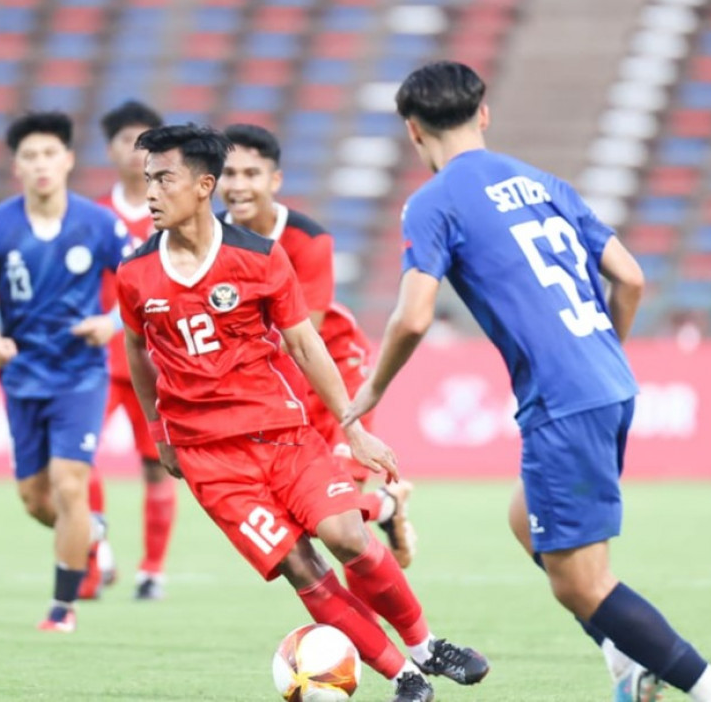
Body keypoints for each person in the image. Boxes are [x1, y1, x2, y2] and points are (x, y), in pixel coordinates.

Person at [343, 61, 711, 702]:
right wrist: (600, 353)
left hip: (564, 400)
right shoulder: (542, 182)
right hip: (609, 381)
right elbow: (631, 277)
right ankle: (627, 660)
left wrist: (372, 389)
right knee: (525, 518)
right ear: (483, 114)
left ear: (413, 130)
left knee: (581, 584)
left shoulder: (433, 202)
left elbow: (414, 315)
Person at [115, 124, 487, 702]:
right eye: (148, 180)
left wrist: (353, 429)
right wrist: (158, 430)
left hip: (282, 434)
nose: (151, 193)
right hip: (210, 459)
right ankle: (404, 678)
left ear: (203, 185)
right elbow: (136, 350)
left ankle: (425, 645)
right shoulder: (135, 273)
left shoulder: (261, 257)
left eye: (165, 179)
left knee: (347, 536)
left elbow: (306, 344)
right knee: (302, 566)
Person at [217, 123, 417, 571]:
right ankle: (386, 505)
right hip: (271, 381)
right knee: (298, 515)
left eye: (251, 173)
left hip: (331, 370)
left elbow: (304, 336)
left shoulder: (308, 239)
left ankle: (371, 589)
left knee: (336, 515)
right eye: (229, 173)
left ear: (275, 180)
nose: (239, 185)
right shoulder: (207, 238)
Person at [0, 111, 132, 632]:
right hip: (21, 376)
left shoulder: (99, 223)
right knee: (36, 500)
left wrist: (110, 323)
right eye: (30, 156)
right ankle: (92, 534)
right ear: (16, 166)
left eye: (50, 154)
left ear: (68, 160)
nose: (41, 164)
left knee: (69, 484)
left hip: (81, 375)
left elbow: (141, 281)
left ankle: (62, 608)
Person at [84, 99, 173, 601]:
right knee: (77, 458)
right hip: (98, 362)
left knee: (157, 464)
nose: (136, 152)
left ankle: (152, 570)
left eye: (145, 143)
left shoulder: (175, 214)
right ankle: (96, 554)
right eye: (126, 141)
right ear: (111, 150)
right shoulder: (93, 215)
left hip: (157, 364)